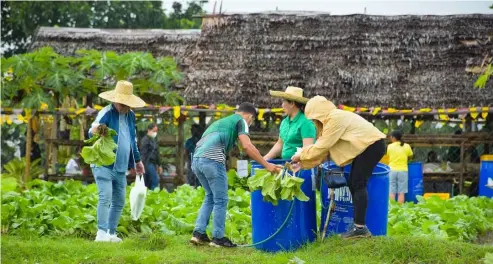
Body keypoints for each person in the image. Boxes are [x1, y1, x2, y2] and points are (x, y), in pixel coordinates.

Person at [291, 96, 386, 239]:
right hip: (366, 147)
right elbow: (323, 152)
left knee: (358, 183)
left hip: (372, 145)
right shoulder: (331, 122)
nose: (314, 122)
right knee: (355, 183)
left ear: (318, 112)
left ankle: (360, 228)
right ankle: (359, 227)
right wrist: (303, 164)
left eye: (314, 118)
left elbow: (321, 147)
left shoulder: (335, 118)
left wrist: (301, 155)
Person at [190, 102, 281, 248]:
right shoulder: (241, 121)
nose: (250, 123)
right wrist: (267, 165)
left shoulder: (222, 121)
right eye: (252, 120)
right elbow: (247, 146)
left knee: (210, 196)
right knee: (221, 199)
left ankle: (198, 233)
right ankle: (218, 238)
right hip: (212, 160)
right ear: (250, 116)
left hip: (196, 160)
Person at [88, 80, 146, 243]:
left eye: (127, 104)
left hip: (120, 166)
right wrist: (99, 130)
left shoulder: (131, 116)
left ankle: (111, 233)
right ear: (115, 100)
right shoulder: (106, 113)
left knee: (119, 200)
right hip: (103, 164)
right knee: (105, 197)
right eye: (122, 104)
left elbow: (132, 139)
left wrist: (138, 161)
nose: (124, 107)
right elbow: (90, 131)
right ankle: (101, 233)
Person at [263, 86, 316, 161]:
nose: (282, 105)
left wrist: (296, 161)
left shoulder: (306, 122)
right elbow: (280, 144)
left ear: (292, 104)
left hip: (301, 167)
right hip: (286, 164)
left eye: (284, 102)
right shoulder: (284, 122)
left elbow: (307, 149)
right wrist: (265, 159)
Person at [387, 130, 413, 204]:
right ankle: (399, 210)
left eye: (391, 137)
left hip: (392, 170)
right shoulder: (407, 146)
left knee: (391, 191)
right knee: (401, 193)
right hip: (403, 170)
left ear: (394, 138)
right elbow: (410, 156)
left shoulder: (390, 146)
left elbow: (388, 155)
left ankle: (392, 209)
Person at [140, 123, 163, 190]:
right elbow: (143, 154)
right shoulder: (145, 140)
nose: (155, 133)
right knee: (154, 182)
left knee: (150, 182)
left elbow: (157, 153)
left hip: (153, 163)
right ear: (149, 130)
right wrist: (142, 165)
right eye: (154, 131)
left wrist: (159, 165)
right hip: (147, 163)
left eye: (156, 131)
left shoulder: (154, 140)